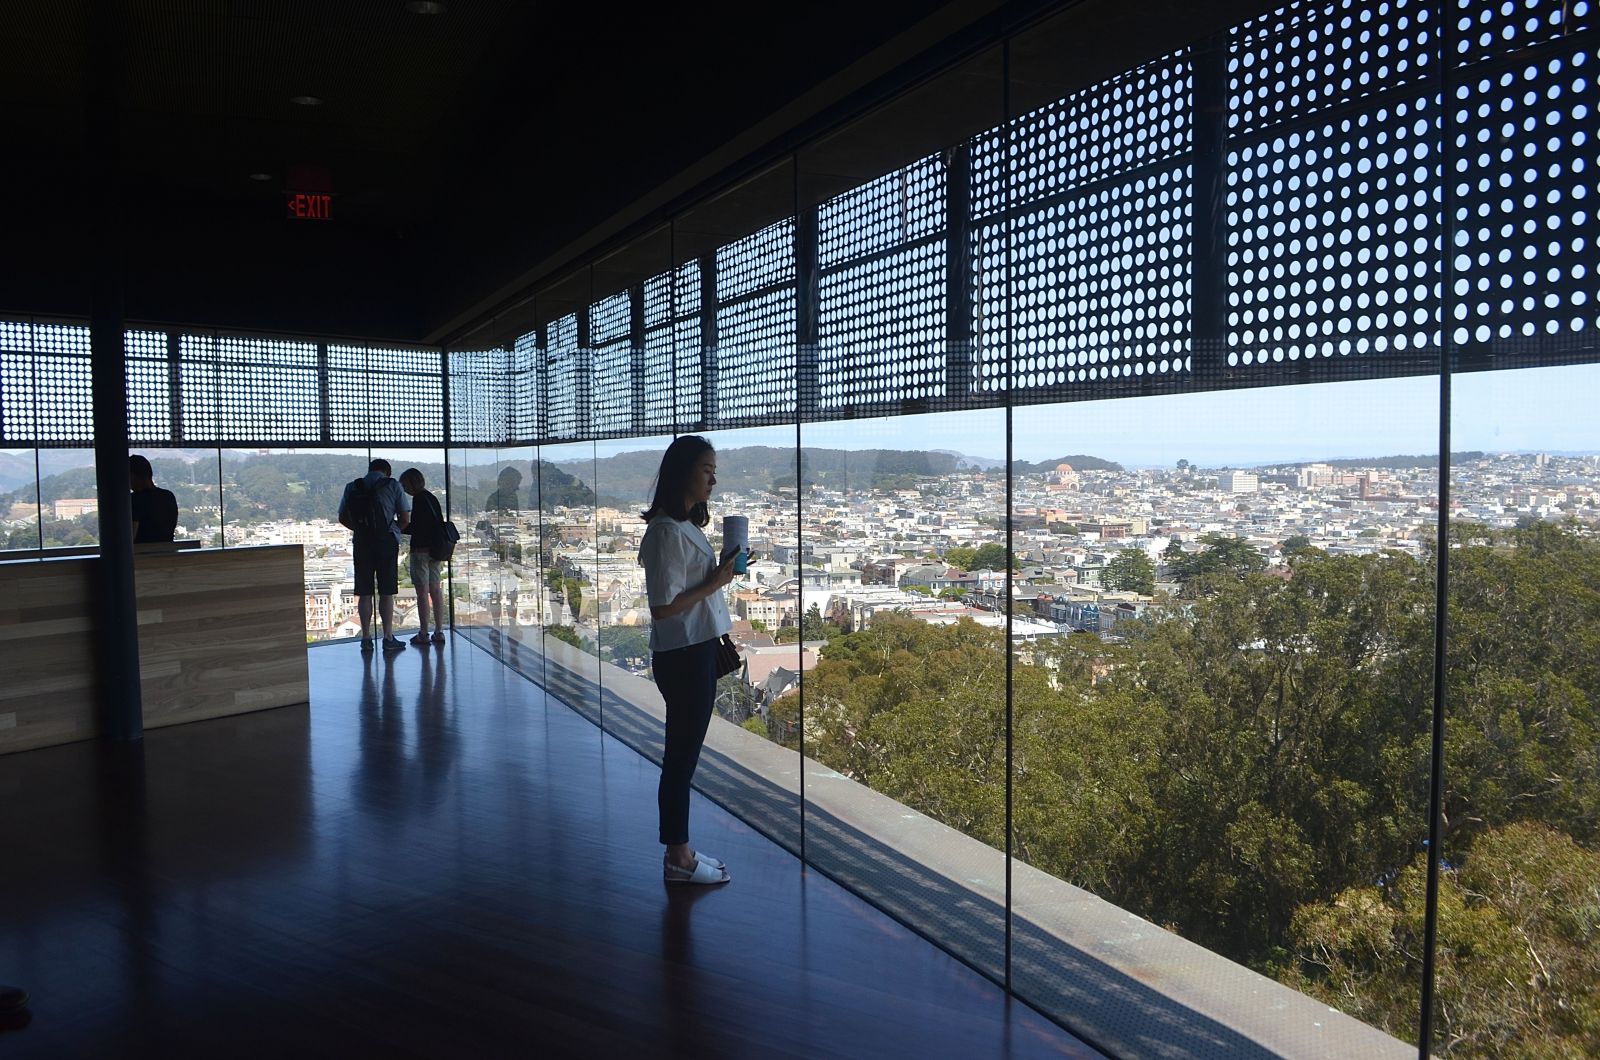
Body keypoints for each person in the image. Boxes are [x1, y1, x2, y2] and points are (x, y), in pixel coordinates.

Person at [638, 435, 739, 886]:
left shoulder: (682, 526)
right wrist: (717, 581)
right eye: (706, 469)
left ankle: (680, 850)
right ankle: (677, 856)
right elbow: (662, 606)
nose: (713, 478)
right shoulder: (663, 532)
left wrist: (723, 574)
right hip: (683, 655)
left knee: (684, 754)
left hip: (693, 649)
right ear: (683, 472)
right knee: (681, 757)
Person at [339, 458, 410, 653]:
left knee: (364, 592)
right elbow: (405, 519)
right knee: (386, 591)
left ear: (369, 470)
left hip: (361, 542)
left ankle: (366, 638)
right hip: (385, 542)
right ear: (387, 472)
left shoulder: (352, 487)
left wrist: (361, 529)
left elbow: (342, 517)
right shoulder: (392, 485)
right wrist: (391, 530)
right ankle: (387, 637)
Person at [398, 467, 446, 647]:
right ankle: (439, 630)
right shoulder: (432, 498)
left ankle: (424, 632)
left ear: (410, 483)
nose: (404, 489)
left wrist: (398, 525)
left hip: (420, 551)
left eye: (404, 485)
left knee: (422, 593)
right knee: (436, 590)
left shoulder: (418, 500)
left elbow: (416, 527)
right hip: (436, 550)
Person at [128, 454, 178, 543]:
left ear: (132, 476)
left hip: (141, 554)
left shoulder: (134, 500)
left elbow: (130, 537)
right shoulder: (168, 496)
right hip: (168, 551)